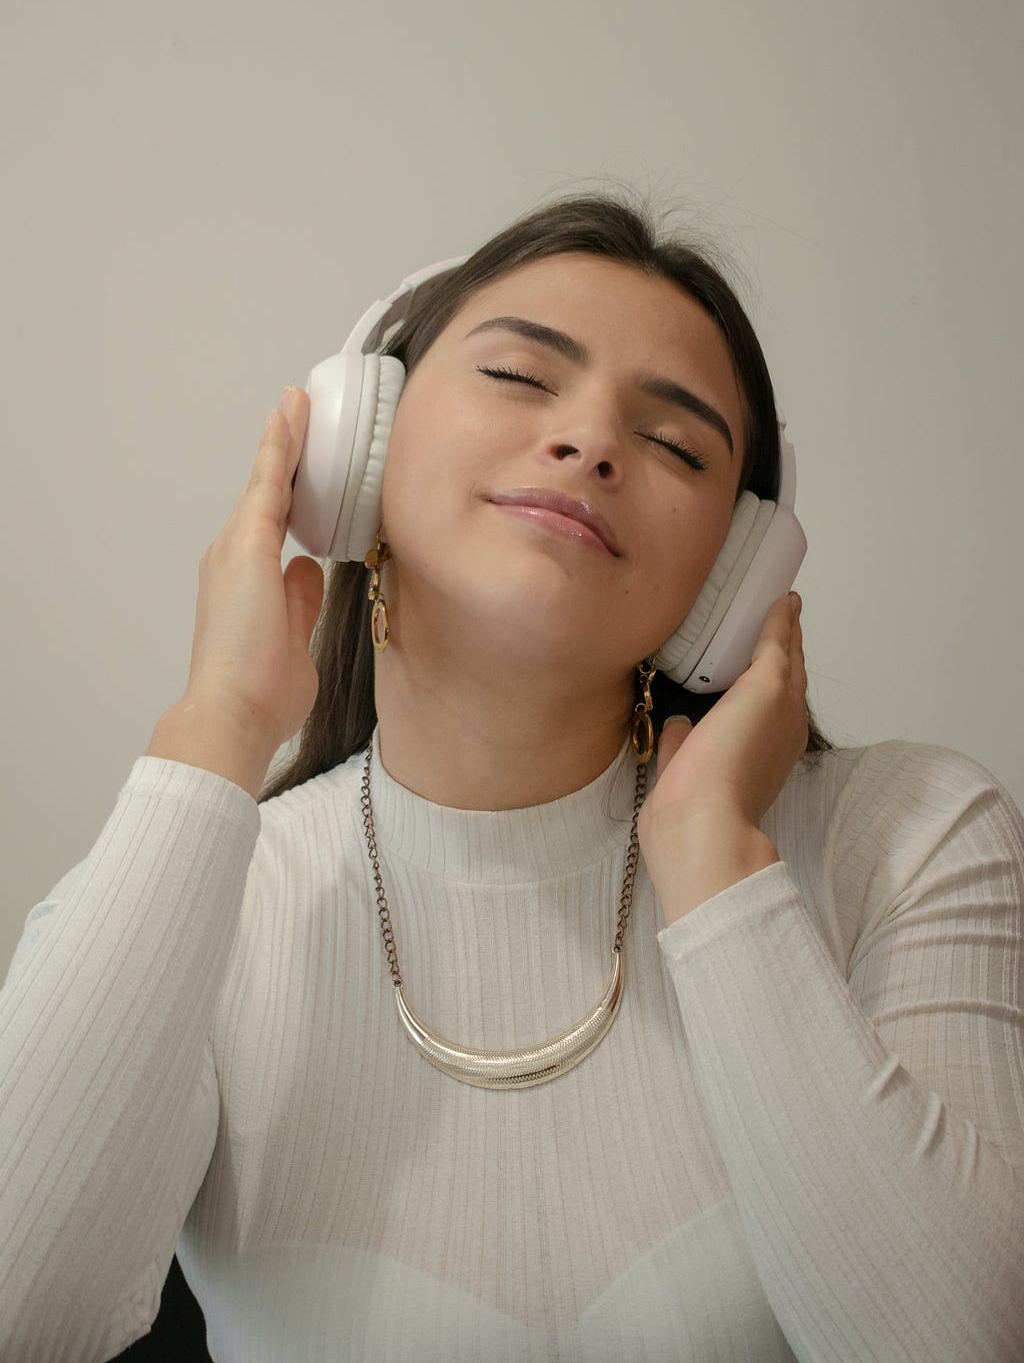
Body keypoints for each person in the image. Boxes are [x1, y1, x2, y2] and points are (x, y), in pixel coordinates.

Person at [1, 191, 1023, 1363]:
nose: (589, 442)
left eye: (676, 443)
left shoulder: (907, 839)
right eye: (521, 377)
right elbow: (23, 1311)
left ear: (729, 580)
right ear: (357, 449)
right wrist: (218, 729)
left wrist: (715, 867)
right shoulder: (208, 893)